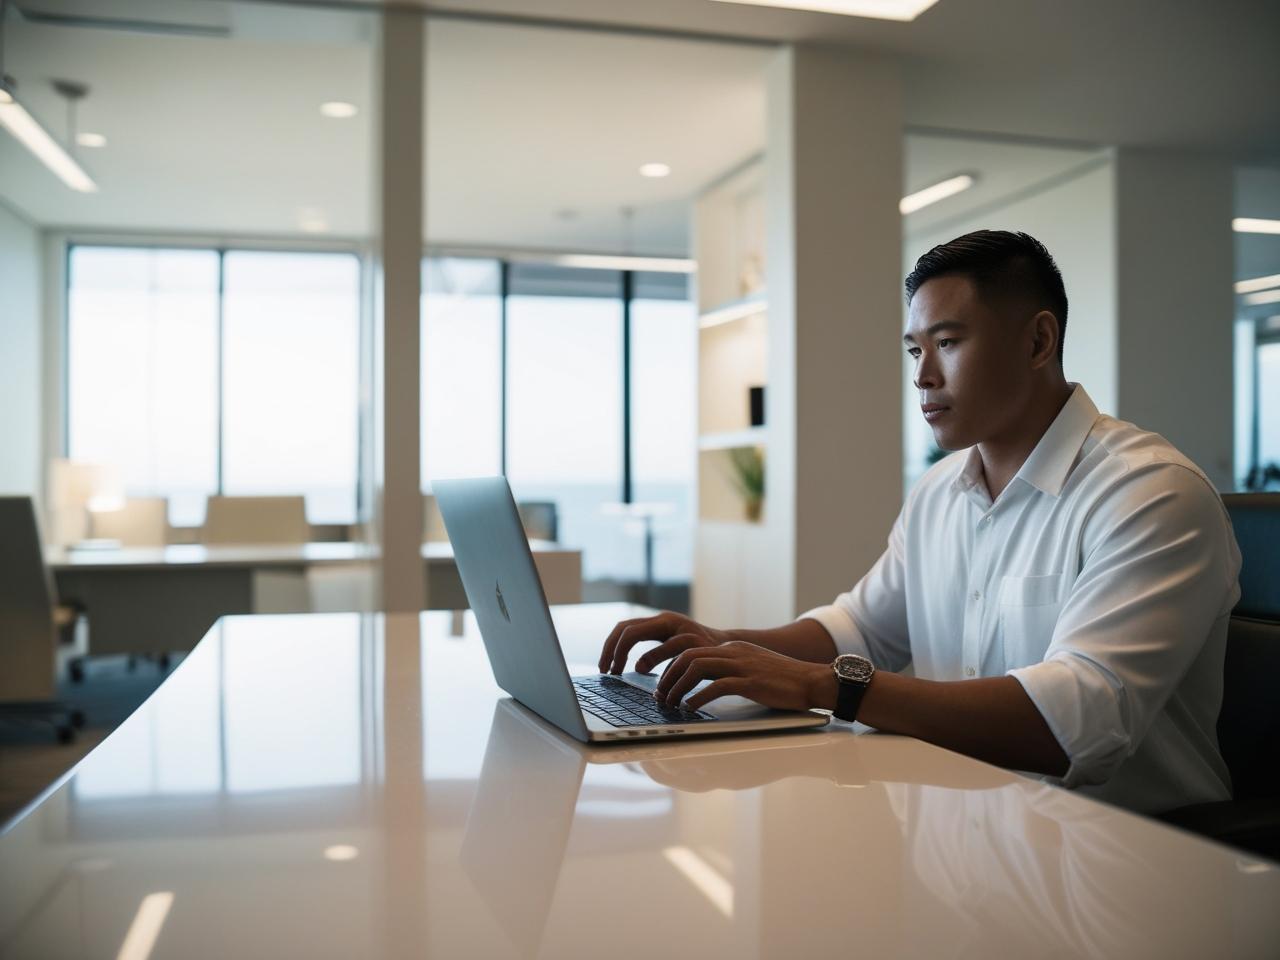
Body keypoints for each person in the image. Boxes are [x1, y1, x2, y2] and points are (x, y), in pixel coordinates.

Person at [599, 230, 1241, 813]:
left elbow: (1072, 722)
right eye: (914, 350)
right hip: (963, 839)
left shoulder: (1151, 494)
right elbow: (859, 629)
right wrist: (721, 644)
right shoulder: (939, 492)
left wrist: (826, 688)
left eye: (948, 343)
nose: (922, 376)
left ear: (1039, 341)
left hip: (1124, 866)